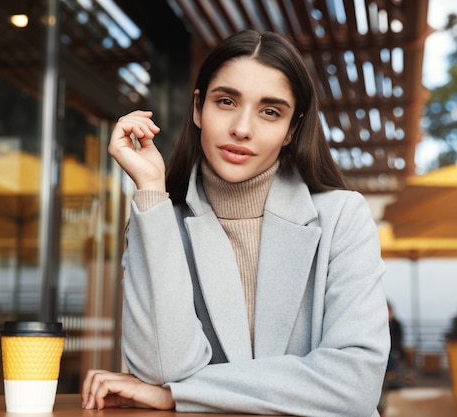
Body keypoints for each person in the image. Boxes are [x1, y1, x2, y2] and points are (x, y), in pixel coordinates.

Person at [82, 29, 390, 416]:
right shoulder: (159, 220)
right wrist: (150, 188)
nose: (242, 128)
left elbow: (355, 384)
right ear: (198, 108)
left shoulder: (343, 216)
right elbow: (161, 368)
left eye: (270, 111)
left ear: (292, 129)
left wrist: (180, 395)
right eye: (226, 101)